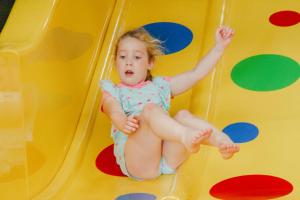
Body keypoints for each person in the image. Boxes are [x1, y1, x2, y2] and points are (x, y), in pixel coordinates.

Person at [100, 26, 240, 180]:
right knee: (150, 110)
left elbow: (195, 75)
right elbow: (111, 109)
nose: (129, 63)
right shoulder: (114, 91)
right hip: (141, 164)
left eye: (137, 57)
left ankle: (221, 142)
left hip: (169, 158)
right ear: (115, 62)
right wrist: (122, 122)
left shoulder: (159, 86)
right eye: (122, 57)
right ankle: (184, 135)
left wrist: (219, 48)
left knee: (183, 116)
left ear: (150, 63)